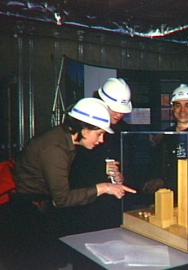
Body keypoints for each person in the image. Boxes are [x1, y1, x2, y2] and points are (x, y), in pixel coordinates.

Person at [10, 97, 136, 237]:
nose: (101, 140)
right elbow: (62, 199)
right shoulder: (55, 149)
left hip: (40, 207)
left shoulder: (64, 137)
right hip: (31, 215)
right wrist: (105, 188)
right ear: (84, 128)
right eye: (99, 134)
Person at [68, 78, 133, 231]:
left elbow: (130, 164)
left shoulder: (122, 130)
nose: (118, 114)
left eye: (122, 110)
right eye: (114, 109)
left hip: (111, 206)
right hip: (83, 205)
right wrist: (101, 168)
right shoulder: (82, 125)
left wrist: (121, 175)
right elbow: (73, 170)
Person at [143, 84, 188, 194]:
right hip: (169, 194)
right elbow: (158, 165)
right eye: (178, 105)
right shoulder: (166, 134)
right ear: (173, 108)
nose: (182, 111)